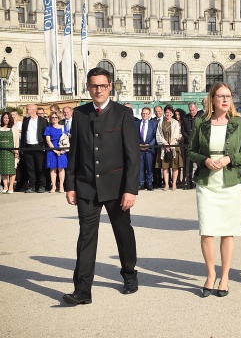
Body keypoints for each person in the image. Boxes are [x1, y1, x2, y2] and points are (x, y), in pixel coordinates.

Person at [63, 67, 141, 305]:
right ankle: (82, 289)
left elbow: (133, 156)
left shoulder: (123, 114)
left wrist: (130, 189)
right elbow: (74, 152)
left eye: (103, 86)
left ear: (110, 87)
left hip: (116, 187)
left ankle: (129, 274)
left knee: (123, 232)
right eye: (94, 86)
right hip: (86, 185)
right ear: (88, 87)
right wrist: (70, 184)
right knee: (86, 237)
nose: (99, 90)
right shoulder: (80, 114)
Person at [187, 82, 241, 297]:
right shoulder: (201, 122)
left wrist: (229, 159)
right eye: (221, 96)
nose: (225, 100)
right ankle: (210, 274)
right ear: (212, 99)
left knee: (227, 230)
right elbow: (191, 151)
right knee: (206, 230)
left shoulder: (238, 122)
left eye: (228, 96)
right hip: (207, 183)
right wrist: (205, 160)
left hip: (229, 183)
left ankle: (224, 277)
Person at [20, 104, 47, 193]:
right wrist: (22, 148)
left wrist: (44, 146)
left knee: (40, 167)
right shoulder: (26, 121)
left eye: (28, 109)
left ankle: (42, 185)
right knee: (30, 168)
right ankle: (32, 186)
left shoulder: (42, 121)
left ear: (33, 110)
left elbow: (45, 134)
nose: (26, 110)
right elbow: (23, 134)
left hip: (39, 146)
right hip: (28, 147)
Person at [156, 105, 183, 191]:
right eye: (166, 112)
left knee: (175, 166)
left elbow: (176, 134)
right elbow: (158, 134)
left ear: (172, 113)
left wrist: (170, 145)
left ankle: (174, 183)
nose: (168, 114)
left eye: (170, 112)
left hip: (173, 146)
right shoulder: (161, 122)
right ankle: (166, 184)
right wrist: (165, 144)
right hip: (164, 146)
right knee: (165, 167)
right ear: (164, 113)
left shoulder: (175, 122)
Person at [182, 102, 205, 189]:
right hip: (188, 144)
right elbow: (183, 131)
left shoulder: (201, 117)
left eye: (193, 110)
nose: (192, 112)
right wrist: (190, 139)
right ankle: (188, 182)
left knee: (198, 163)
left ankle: (197, 181)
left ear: (196, 109)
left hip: (198, 144)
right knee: (188, 165)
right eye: (190, 110)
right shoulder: (185, 118)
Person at [44, 112, 68, 193]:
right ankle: (53, 186)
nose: (54, 119)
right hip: (52, 149)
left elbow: (66, 139)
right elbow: (48, 140)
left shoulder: (63, 127)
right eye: (53, 117)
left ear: (58, 118)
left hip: (62, 148)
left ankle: (61, 185)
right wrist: (54, 150)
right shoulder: (48, 128)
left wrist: (63, 150)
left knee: (61, 168)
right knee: (52, 168)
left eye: (56, 117)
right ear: (50, 119)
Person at [136, 107, 157, 191]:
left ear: (149, 114)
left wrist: (149, 145)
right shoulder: (136, 123)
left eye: (146, 114)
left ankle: (149, 184)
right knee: (140, 167)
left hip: (149, 149)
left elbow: (155, 136)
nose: (144, 115)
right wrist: (139, 145)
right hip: (139, 149)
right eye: (143, 113)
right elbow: (133, 135)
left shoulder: (153, 124)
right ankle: (141, 183)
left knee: (149, 167)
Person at [0, 111, 20, 193]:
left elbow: (16, 140)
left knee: (12, 169)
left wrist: (16, 151)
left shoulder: (14, 128)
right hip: (2, 152)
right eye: (5, 118)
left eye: (8, 118)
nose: (6, 119)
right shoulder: (0, 128)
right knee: (3, 169)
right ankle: (5, 186)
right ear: (2, 119)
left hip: (11, 151)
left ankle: (11, 186)